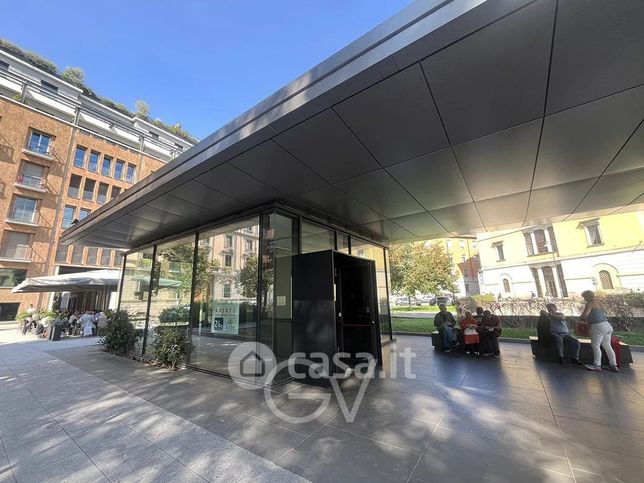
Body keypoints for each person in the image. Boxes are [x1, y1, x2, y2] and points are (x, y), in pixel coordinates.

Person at [579, 290, 618, 372]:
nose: (584, 299)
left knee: (595, 345)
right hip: (607, 325)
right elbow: (604, 314)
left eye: (585, 297)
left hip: (597, 326)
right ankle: (613, 365)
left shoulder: (590, 303)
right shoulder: (600, 303)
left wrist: (581, 318)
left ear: (588, 296)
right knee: (607, 346)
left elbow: (585, 315)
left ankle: (597, 365)